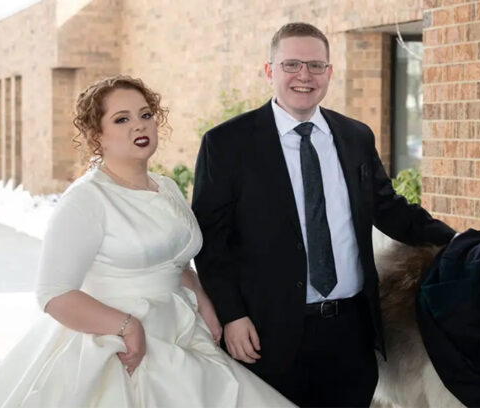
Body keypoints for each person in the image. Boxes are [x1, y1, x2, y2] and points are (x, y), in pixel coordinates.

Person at [0, 75, 293, 407]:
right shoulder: (87, 199)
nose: (139, 126)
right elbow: (54, 294)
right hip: (118, 347)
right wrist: (127, 327)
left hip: (183, 332)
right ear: (96, 135)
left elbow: (173, 259)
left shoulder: (166, 188)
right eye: (122, 119)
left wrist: (202, 297)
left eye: (146, 115)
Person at [192, 22, 456, 407]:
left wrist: (461, 242)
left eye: (316, 66)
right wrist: (232, 315)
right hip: (267, 334)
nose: (305, 76)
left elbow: (390, 209)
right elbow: (211, 242)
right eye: (292, 65)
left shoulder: (355, 137)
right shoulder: (227, 144)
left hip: (350, 333)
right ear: (270, 71)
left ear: (330, 72)